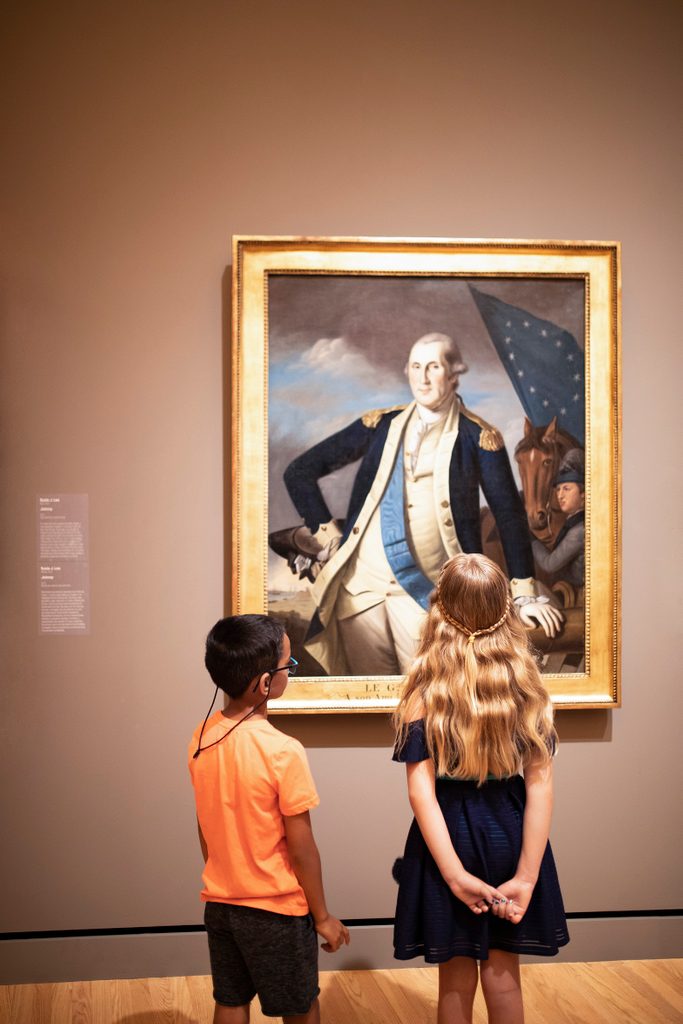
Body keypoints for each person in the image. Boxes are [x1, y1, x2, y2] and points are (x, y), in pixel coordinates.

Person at [283, 333, 563, 677]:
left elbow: (509, 518)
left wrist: (524, 595)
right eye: (416, 367)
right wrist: (329, 538)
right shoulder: (380, 426)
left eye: (433, 367)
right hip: (359, 595)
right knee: (368, 700)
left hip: (430, 601)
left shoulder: (479, 437)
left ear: (455, 374)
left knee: (434, 699)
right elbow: (299, 472)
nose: (423, 378)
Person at [392, 553, 569, 1024]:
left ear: (441, 610)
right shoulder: (526, 686)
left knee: (454, 978)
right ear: (505, 609)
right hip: (509, 831)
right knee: (503, 972)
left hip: (447, 837)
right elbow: (541, 786)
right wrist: (526, 877)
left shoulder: (423, 693)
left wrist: (453, 874)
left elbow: (421, 793)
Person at [188, 614, 350, 1024]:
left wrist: (225, 874)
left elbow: (205, 825)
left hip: (221, 905)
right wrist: (323, 917)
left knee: (230, 1000)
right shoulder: (283, 750)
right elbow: (302, 848)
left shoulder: (201, 737)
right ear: (265, 683)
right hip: (277, 912)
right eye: (288, 665)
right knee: (300, 1007)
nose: (290, 672)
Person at [532, 448, 585, 589]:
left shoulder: (580, 531)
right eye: (558, 489)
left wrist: (531, 540)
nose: (560, 496)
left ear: (583, 494)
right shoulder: (573, 522)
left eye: (566, 489)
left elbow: (549, 565)